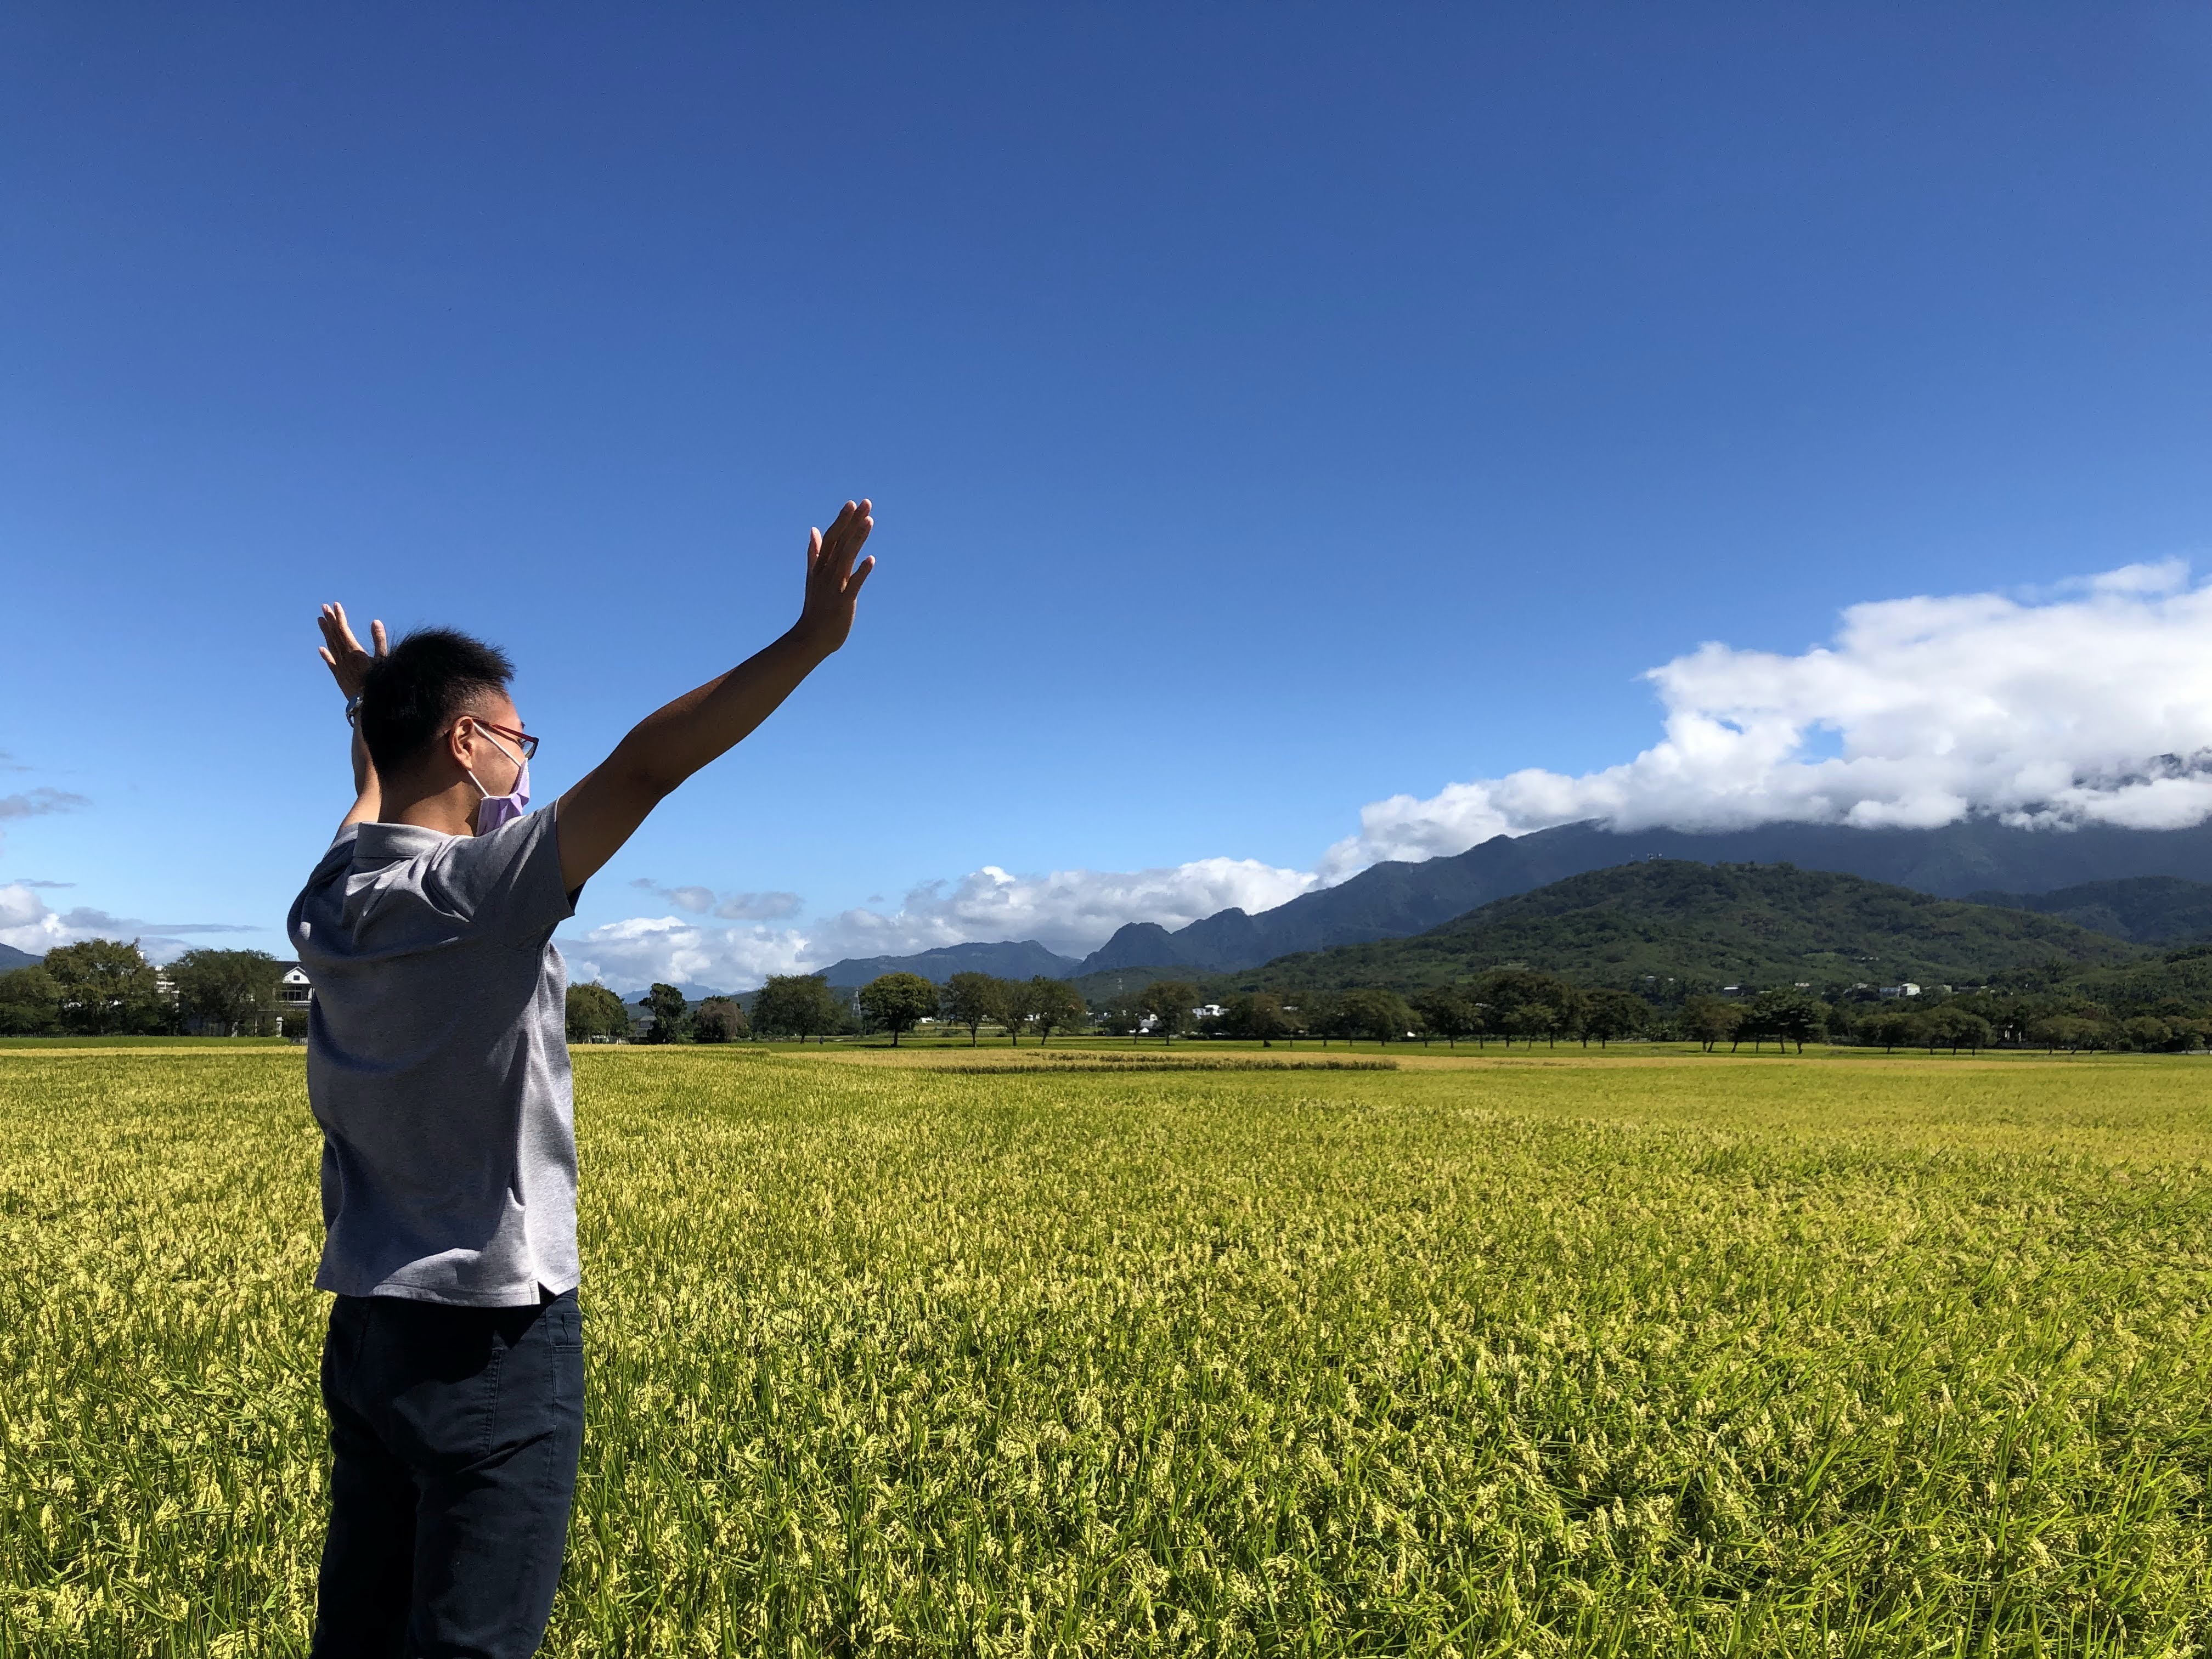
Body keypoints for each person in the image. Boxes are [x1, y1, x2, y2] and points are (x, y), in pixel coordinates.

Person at [290, 500, 874, 1657]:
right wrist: (808, 641)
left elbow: (370, 804)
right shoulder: (477, 897)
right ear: (468, 743)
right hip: (491, 1343)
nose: (524, 758)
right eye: (517, 738)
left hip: (366, 1333)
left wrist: (371, 704)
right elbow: (650, 766)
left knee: (359, 1629)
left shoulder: (329, 900)